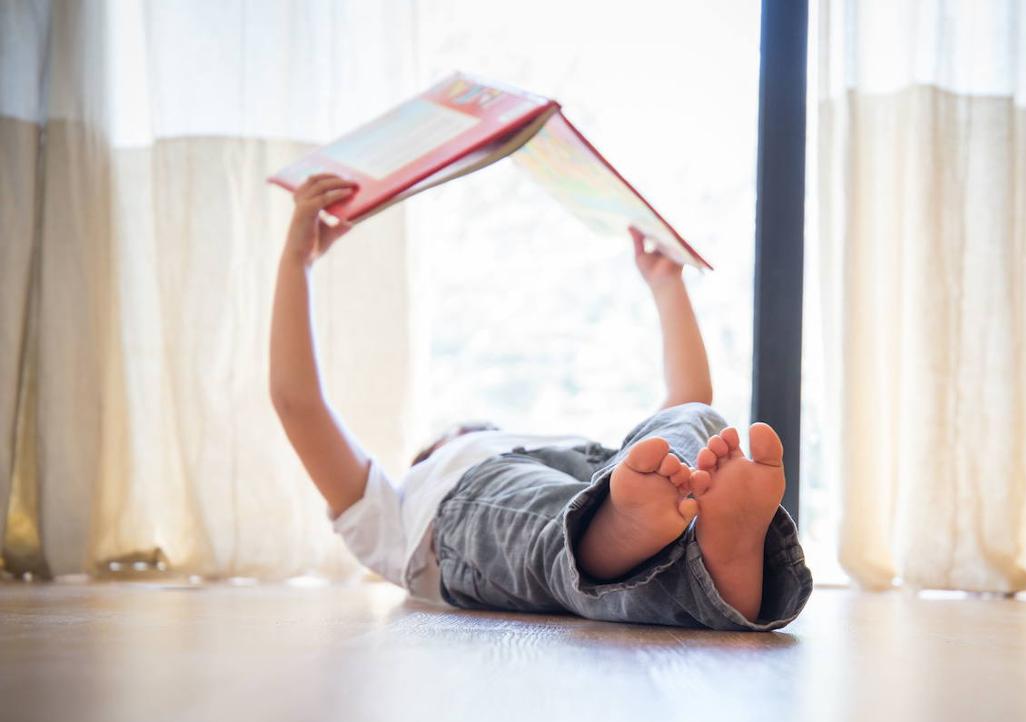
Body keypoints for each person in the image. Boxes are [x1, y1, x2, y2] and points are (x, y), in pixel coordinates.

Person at [269, 174, 812, 631]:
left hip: (600, 472)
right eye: (458, 433)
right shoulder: (400, 507)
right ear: (429, 456)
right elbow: (299, 404)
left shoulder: (600, 469)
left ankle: (703, 565)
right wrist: (297, 261)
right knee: (544, 518)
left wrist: (666, 281)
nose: (475, 428)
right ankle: (643, 541)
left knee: (687, 422)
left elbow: (687, 401)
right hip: (486, 492)